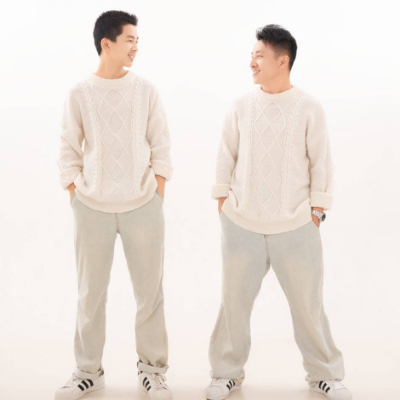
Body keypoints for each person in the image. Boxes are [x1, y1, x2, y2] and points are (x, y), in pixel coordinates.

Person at [205, 24, 351, 400]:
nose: (252, 62)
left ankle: (325, 375)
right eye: (252, 55)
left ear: (282, 61)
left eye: (259, 55)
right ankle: (226, 373)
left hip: (296, 223)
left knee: (308, 306)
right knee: (233, 304)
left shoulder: (309, 107)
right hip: (242, 223)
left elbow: (321, 161)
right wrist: (223, 202)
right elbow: (225, 155)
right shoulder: (240, 106)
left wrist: (317, 211)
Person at [55, 10, 173, 400]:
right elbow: (68, 148)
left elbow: (161, 143)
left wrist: (157, 192)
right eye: (130, 40)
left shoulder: (145, 91)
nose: (136, 47)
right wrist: (75, 195)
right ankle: (88, 372)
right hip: (92, 206)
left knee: (149, 294)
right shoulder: (80, 93)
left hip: (143, 204)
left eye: (138, 41)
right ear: (107, 43)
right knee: (90, 294)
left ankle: (152, 372)